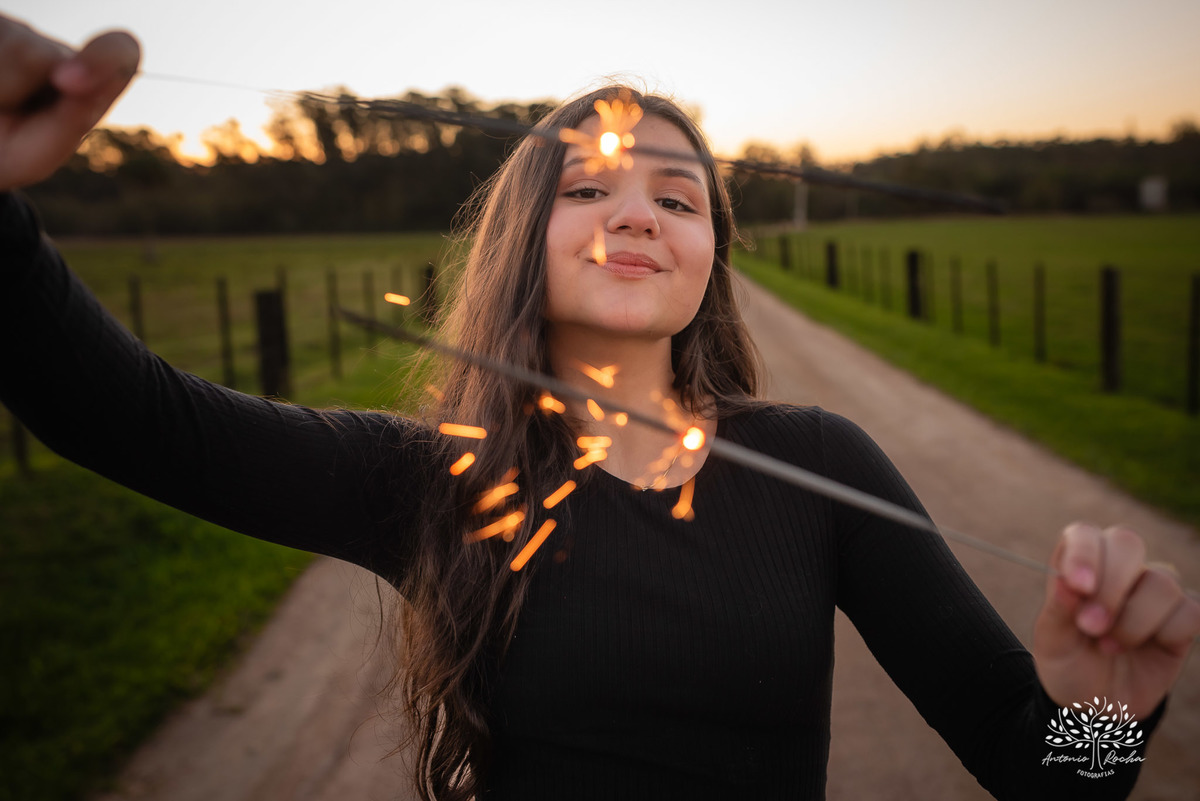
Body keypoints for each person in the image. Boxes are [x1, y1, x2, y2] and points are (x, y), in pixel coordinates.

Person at [1, 16, 1198, 801]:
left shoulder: (820, 460)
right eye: (590, 187)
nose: (639, 216)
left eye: (678, 201)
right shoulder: (432, 479)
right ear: (527, 239)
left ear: (709, 256)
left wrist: (1102, 712)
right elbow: (123, 416)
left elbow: (1045, 771)